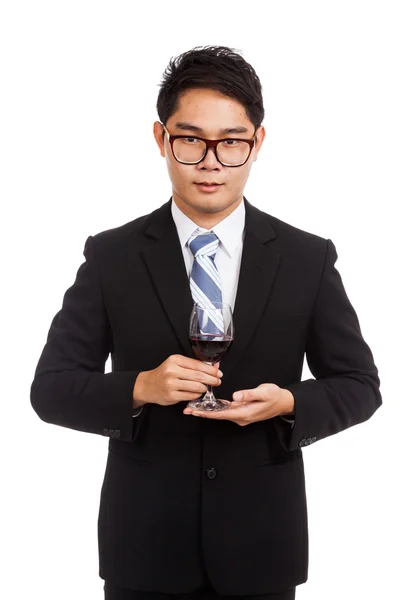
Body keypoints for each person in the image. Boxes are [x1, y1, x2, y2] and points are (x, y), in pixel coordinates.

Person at [30, 45, 382, 600]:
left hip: (262, 550)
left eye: (231, 142)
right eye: (191, 139)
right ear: (161, 139)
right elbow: (49, 391)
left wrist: (290, 404)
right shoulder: (112, 256)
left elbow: (361, 386)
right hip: (142, 551)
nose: (211, 161)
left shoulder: (306, 257)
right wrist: (141, 388)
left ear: (257, 143)